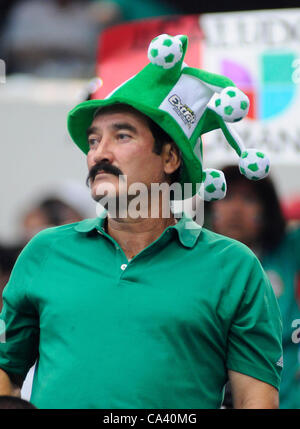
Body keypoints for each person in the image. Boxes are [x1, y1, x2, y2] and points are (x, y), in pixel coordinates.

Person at [0, 34, 282, 409]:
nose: (100, 152)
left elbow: (256, 400)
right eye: (94, 140)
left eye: (122, 135)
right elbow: (6, 368)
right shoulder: (44, 251)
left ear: (170, 158)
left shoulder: (234, 267)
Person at [206, 165, 300, 409]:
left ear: (266, 211)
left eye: (249, 199)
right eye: (226, 197)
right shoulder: (190, 260)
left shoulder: (289, 249)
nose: (235, 209)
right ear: (210, 207)